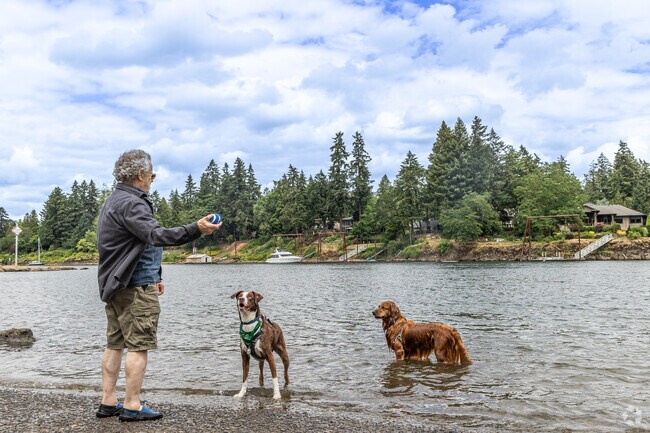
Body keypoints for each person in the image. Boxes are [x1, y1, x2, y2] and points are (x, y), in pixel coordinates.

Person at [95, 149, 222, 422]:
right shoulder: (133, 203)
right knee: (138, 345)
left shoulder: (112, 201)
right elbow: (156, 236)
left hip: (115, 283)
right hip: (134, 286)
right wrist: (196, 228)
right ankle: (132, 405)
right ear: (140, 174)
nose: (152, 179)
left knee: (114, 343)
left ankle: (108, 401)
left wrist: (158, 274)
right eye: (152, 174)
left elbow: (136, 243)